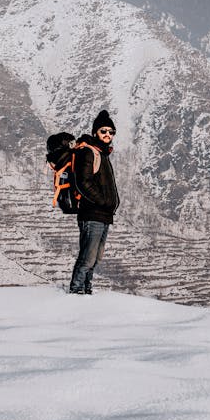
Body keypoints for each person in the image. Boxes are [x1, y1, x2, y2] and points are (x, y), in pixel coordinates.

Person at [68, 109, 121, 294]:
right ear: (95, 132)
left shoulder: (103, 154)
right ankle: (76, 291)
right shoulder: (89, 152)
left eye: (111, 132)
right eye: (103, 131)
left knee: (96, 258)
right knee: (88, 258)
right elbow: (83, 182)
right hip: (92, 213)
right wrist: (103, 201)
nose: (108, 135)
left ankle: (87, 290)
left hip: (103, 215)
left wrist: (108, 205)